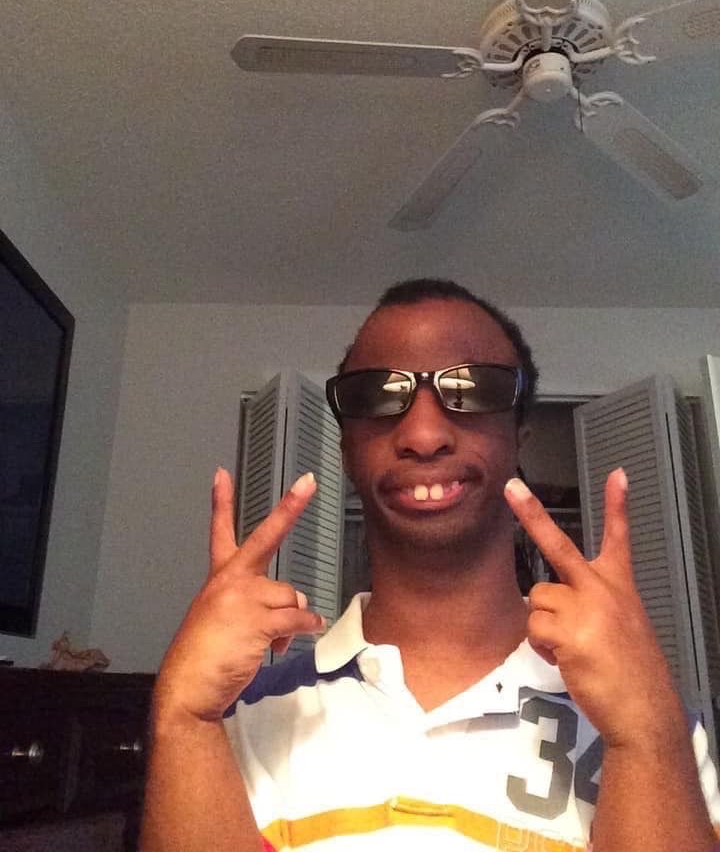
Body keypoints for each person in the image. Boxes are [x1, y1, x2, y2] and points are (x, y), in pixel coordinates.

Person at [141, 278, 720, 852]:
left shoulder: (654, 725)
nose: (422, 435)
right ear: (346, 449)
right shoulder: (233, 720)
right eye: (377, 394)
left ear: (518, 436)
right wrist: (182, 718)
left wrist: (645, 735)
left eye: (473, 387)